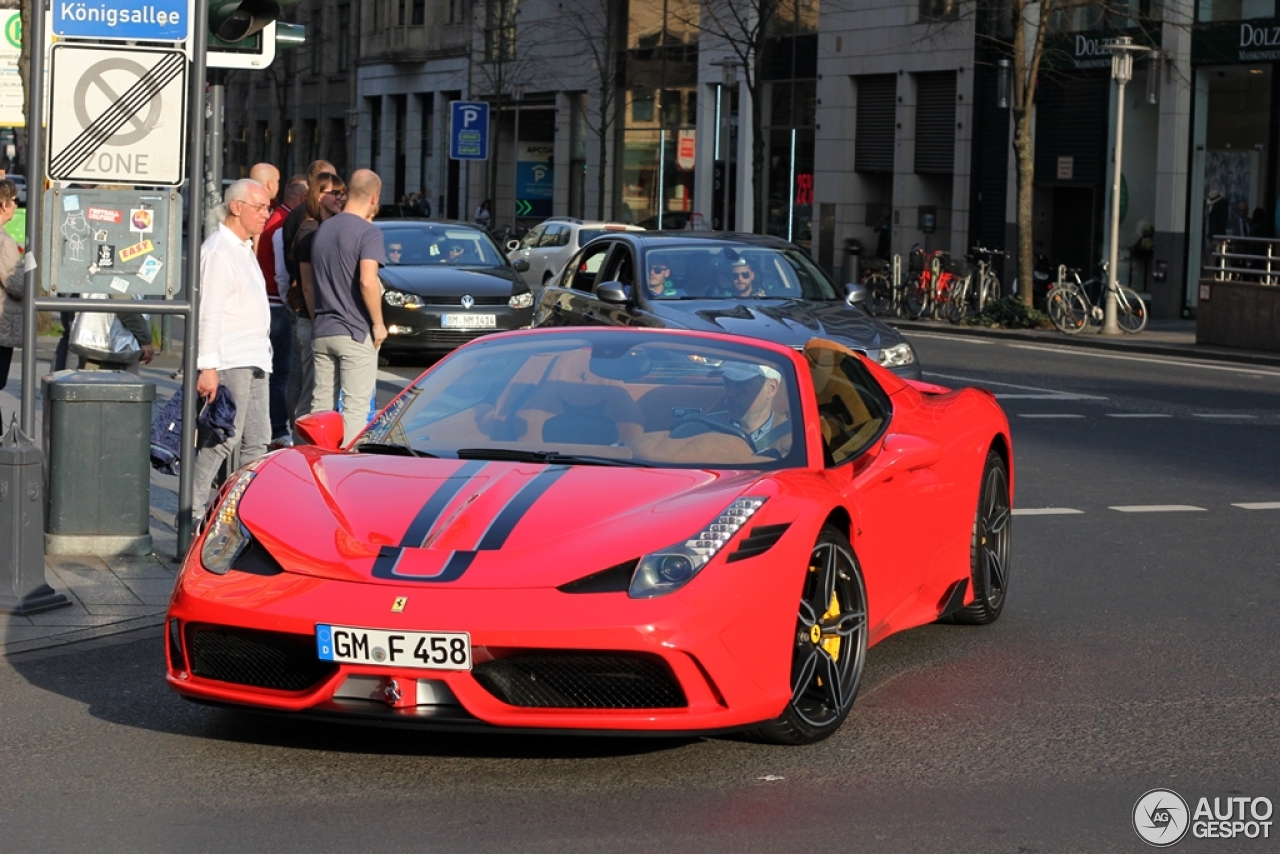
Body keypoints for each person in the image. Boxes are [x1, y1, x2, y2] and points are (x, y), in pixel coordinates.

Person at [192, 179, 274, 507]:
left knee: (258, 440)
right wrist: (207, 366)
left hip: (255, 358)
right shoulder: (218, 251)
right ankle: (194, 513)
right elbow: (207, 313)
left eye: (268, 207)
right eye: (260, 207)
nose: (266, 214)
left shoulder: (243, 247)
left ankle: (238, 511)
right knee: (224, 438)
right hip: (231, 358)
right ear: (237, 208)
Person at [309, 169, 387, 445]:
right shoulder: (369, 233)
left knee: (320, 409)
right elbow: (368, 281)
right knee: (355, 410)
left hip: (322, 331)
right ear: (374, 197)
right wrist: (378, 324)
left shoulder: (323, 229)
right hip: (354, 331)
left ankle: (312, 467)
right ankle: (347, 471)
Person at [291, 173, 346, 423]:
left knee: (324, 394)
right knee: (313, 396)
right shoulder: (310, 229)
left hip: (324, 323)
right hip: (313, 321)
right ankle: (301, 450)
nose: (340, 198)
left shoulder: (333, 226)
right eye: (335, 193)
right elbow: (307, 286)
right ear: (319, 195)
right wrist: (318, 321)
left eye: (342, 192)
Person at [258, 174, 306, 446]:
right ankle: (279, 429)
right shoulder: (282, 224)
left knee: (277, 372)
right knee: (281, 373)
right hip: (277, 303)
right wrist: (290, 302)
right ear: (301, 199)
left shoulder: (274, 220)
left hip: (271, 301)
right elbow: (280, 273)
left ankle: (276, 427)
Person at [0, 179, 23, 421]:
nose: (16, 206)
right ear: (4, 205)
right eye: (14, 201)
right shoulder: (4, 241)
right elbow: (16, 286)